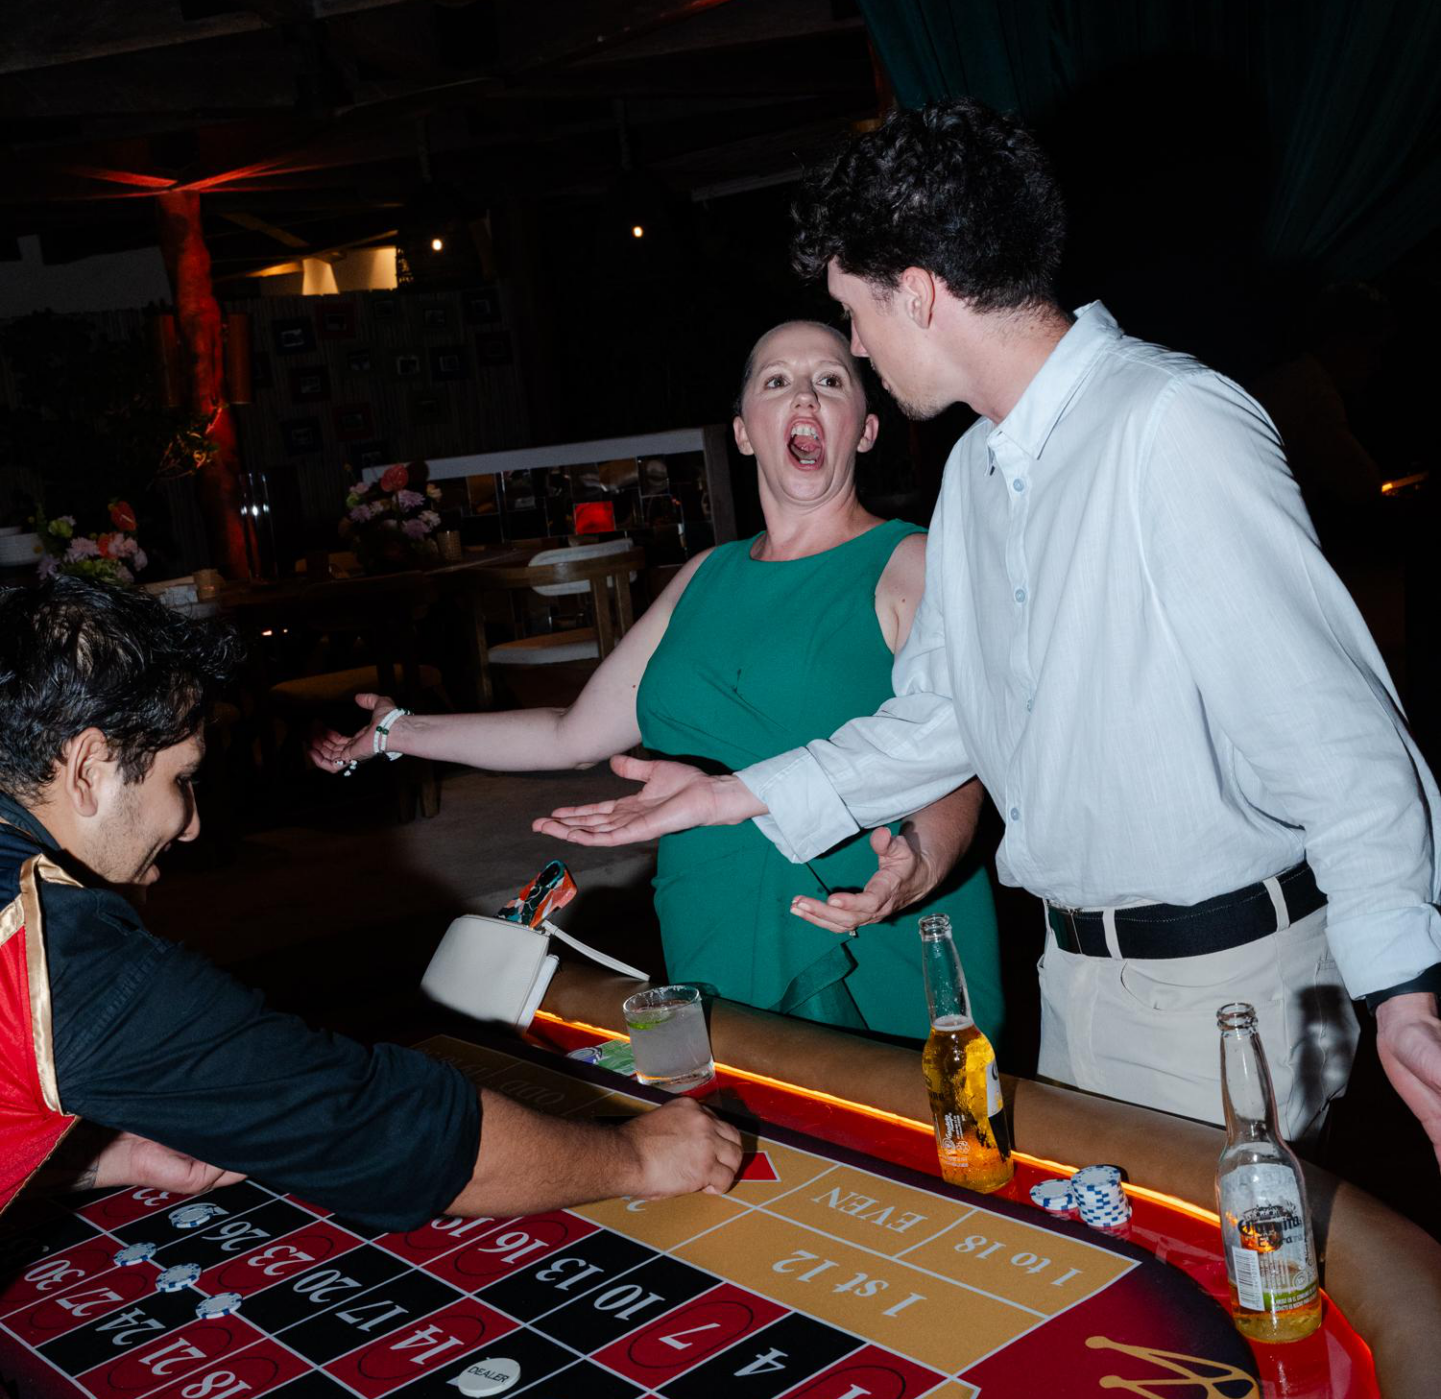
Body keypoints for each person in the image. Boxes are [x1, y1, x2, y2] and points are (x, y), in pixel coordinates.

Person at [534, 101, 1441, 1165]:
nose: (858, 347)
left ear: (916, 292)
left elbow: (1339, 738)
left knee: (1217, 1319)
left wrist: (1400, 988)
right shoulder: (974, 472)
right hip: (1077, 975)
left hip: (1221, 981)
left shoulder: (1169, 423)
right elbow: (942, 716)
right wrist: (732, 793)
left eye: (853, 315)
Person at [312, 320, 1004, 1044]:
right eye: (776, 381)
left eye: (829, 380)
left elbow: (958, 752)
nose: (803, 393)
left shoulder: (911, 562)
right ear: (742, 433)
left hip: (861, 912)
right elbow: (571, 734)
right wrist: (398, 732)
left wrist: (918, 865)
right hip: (710, 900)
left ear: (863, 430)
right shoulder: (705, 576)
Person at [0, 576, 740, 1225]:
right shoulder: (64, 957)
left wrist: (101, 1161)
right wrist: (636, 1155)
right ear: (91, 769)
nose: (192, 825)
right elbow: (378, 1128)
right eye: (181, 780)